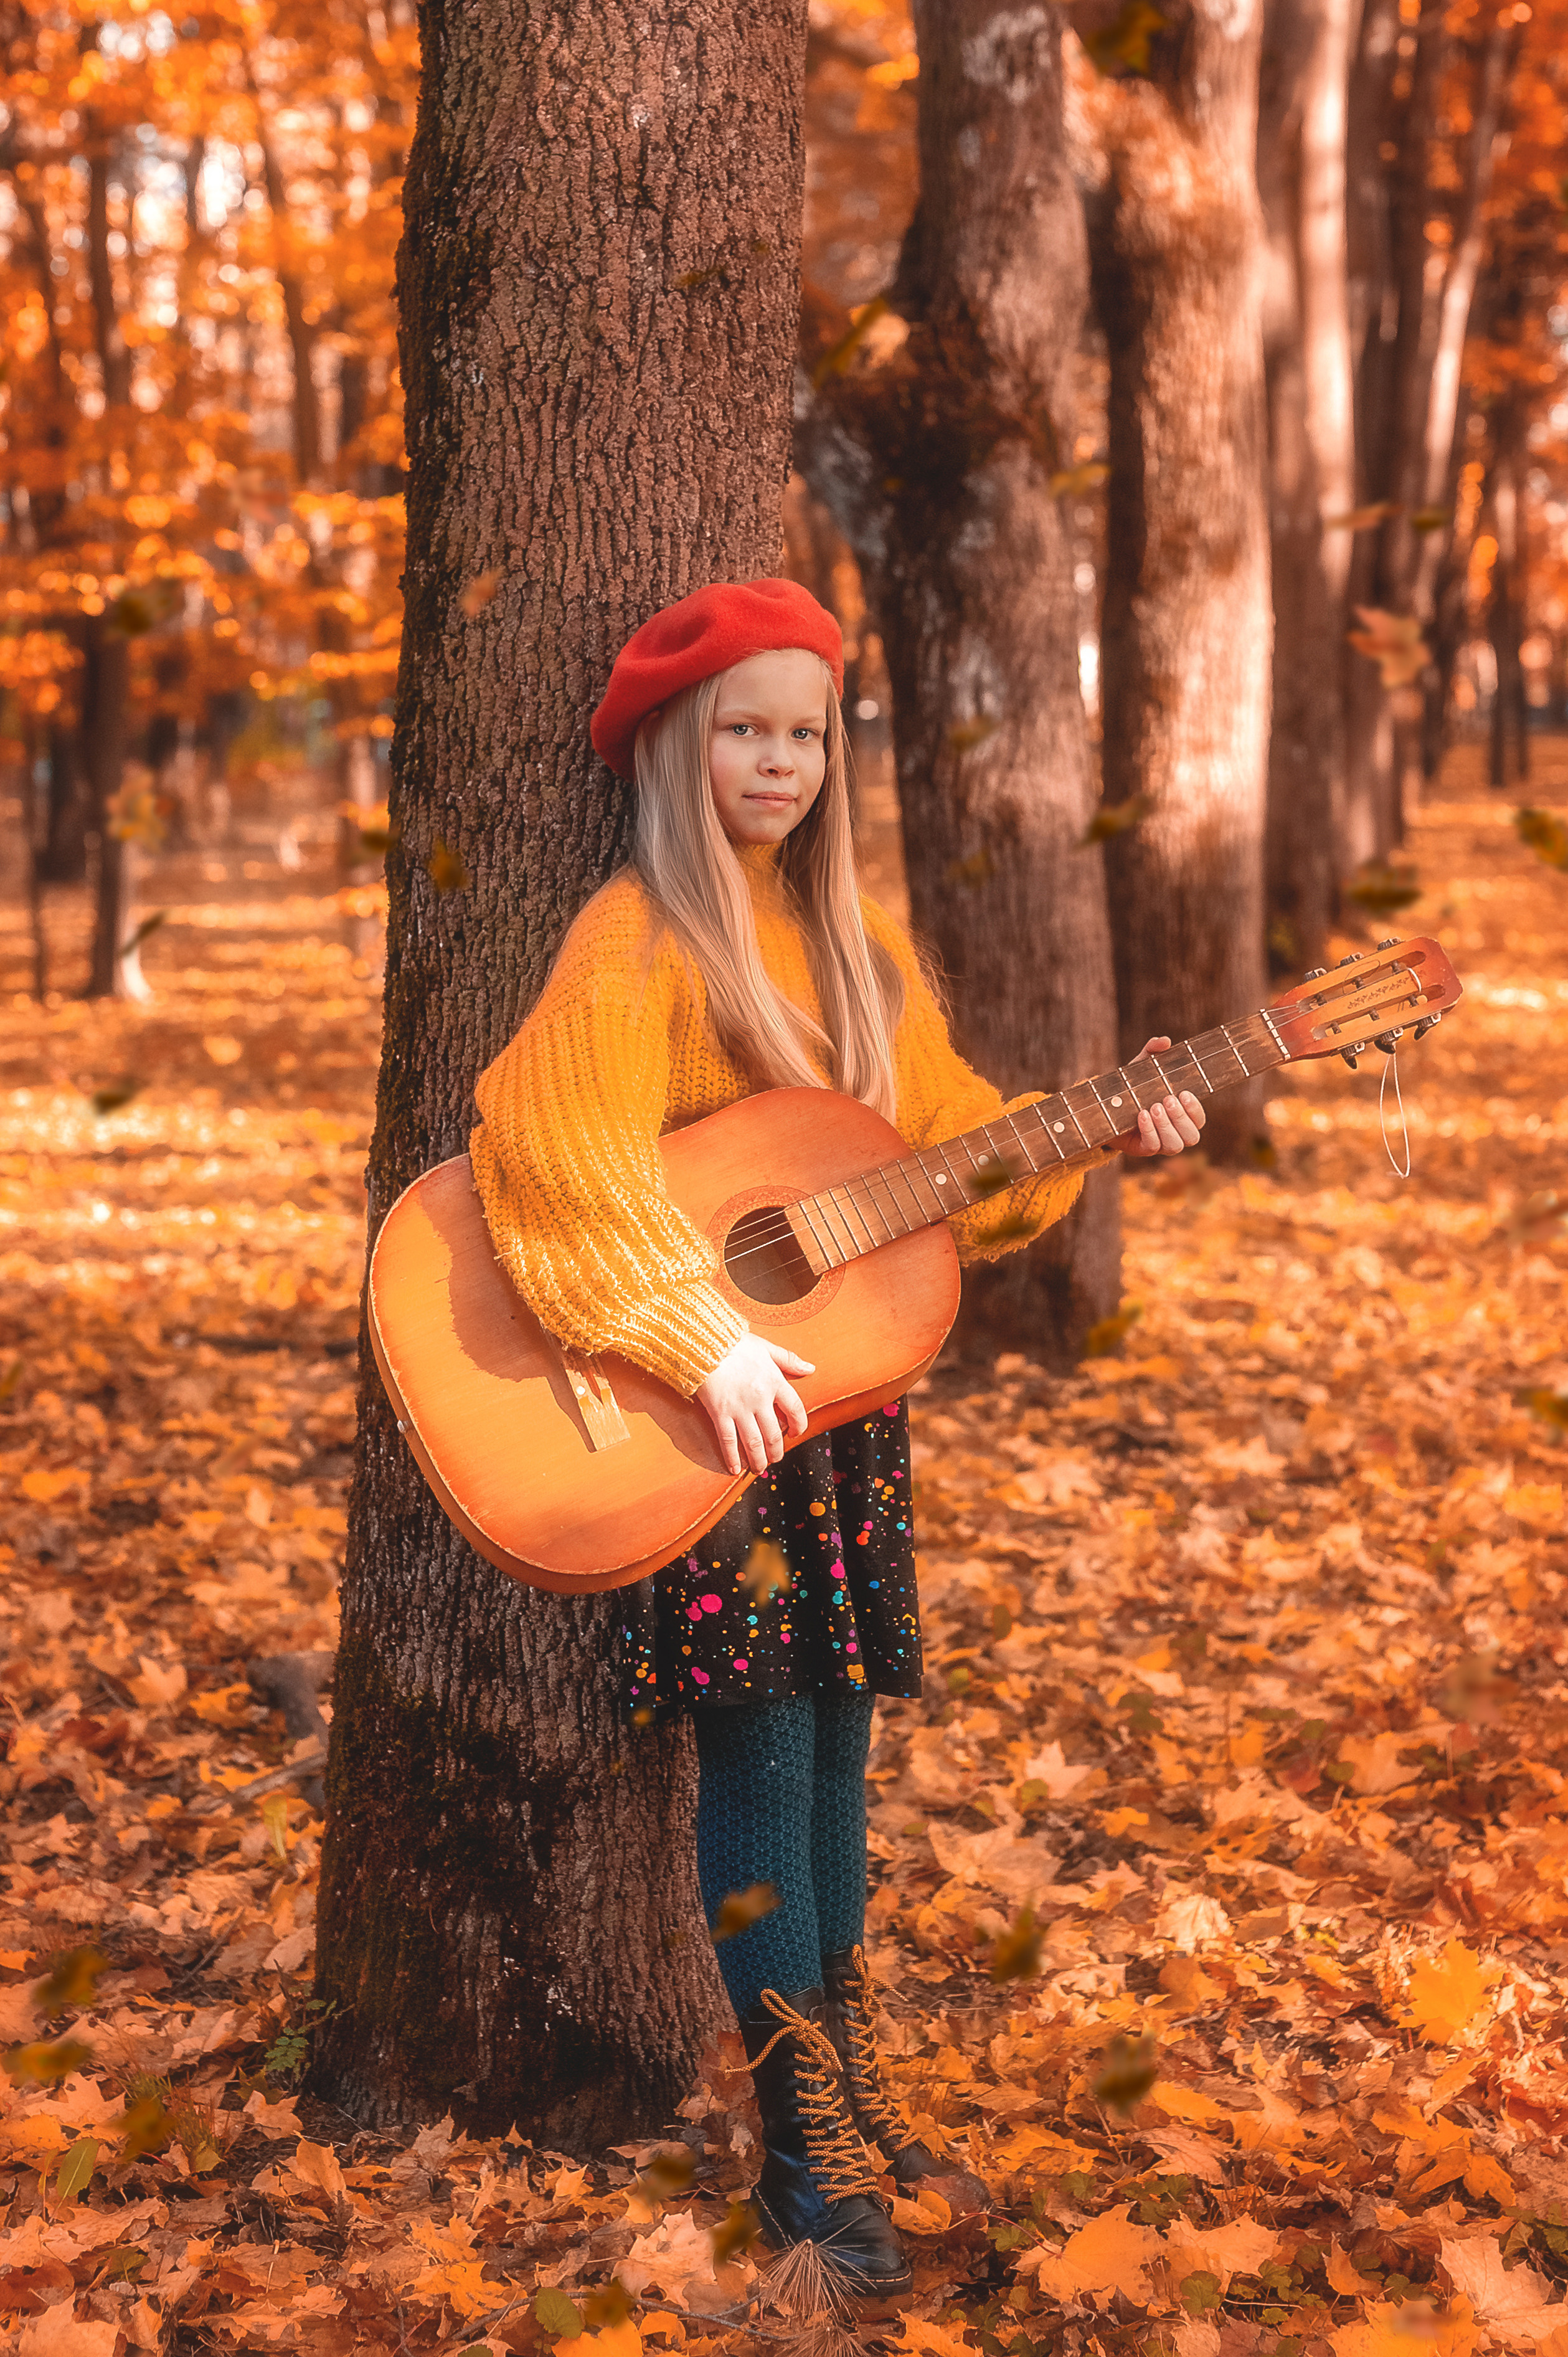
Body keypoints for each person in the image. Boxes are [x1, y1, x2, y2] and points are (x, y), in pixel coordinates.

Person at [469, 579, 1204, 2297]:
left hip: (843, 1420)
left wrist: (1096, 1133)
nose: (781, 762)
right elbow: (550, 1156)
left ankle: (849, 2109)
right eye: (746, 729)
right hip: (711, 1423)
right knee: (762, 1764)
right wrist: (698, 1333)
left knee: (839, 1761)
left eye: (806, 733)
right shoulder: (639, 942)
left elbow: (943, 1163)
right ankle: (808, 2161)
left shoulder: (857, 948)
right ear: (678, 745)